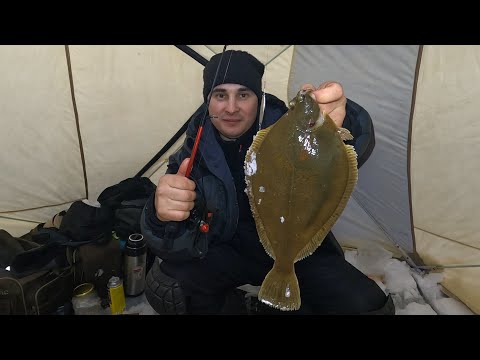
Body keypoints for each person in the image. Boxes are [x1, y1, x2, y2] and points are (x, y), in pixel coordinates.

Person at [141, 49, 394, 315]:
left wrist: (339, 123)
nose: (231, 107)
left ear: (258, 97)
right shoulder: (190, 156)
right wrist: (160, 217)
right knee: (165, 287)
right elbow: (173, 243)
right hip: (229, 250)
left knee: (369, 307)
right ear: (208, 101)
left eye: (243, 94)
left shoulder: (291, 127)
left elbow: (349, 150)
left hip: (296, 251)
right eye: (220, 95)